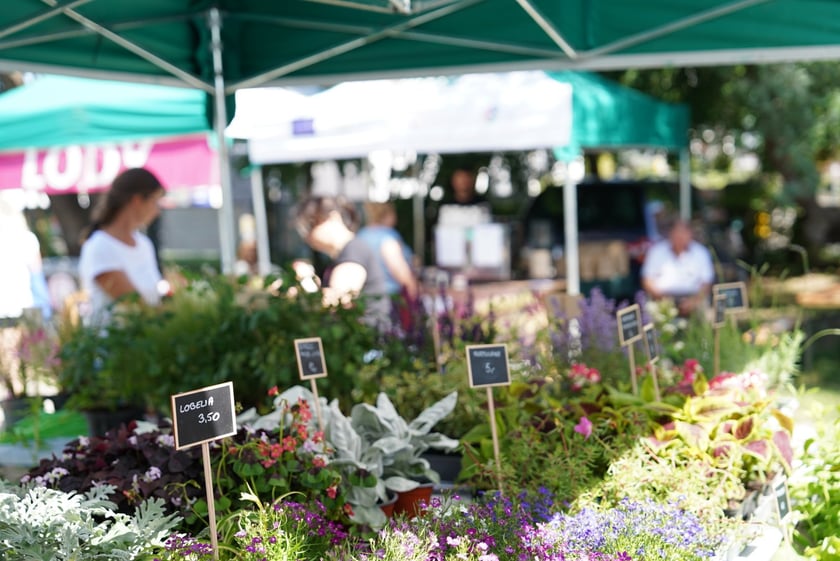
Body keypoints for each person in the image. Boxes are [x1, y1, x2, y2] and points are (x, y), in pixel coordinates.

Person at [78, 168, 168, 326]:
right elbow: (132, 304)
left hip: (146, 342)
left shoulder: (144, 244)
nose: (157, 211)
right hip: (111, 347)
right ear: (137, 201)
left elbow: (154, 299)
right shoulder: (100, 246)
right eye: (154, 201)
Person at [294, 195, 392, 332]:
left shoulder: (354, 251)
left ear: (334, 218)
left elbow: (340, 299)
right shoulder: (349, 252)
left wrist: (306, 284)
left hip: (367, 342)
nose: (308, 236)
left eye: (312, 225)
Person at [641, 218, 715, 316]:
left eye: (683, 233)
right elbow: (647, 280)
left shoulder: (701, 252)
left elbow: (707, 283)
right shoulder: (656, 251)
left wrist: (694, 301)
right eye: (677, 233)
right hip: (661, 298)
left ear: (690, 234)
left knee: (707, 315)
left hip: (694, 298)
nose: (680, 237)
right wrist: (663, 299)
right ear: (670, 234)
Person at [357, 201, 418, 300]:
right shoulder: (387, 237)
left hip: (364, 297)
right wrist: (412, 291)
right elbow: (400, 271)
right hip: (387, 298)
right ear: (388, 214)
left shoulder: (361, 235)